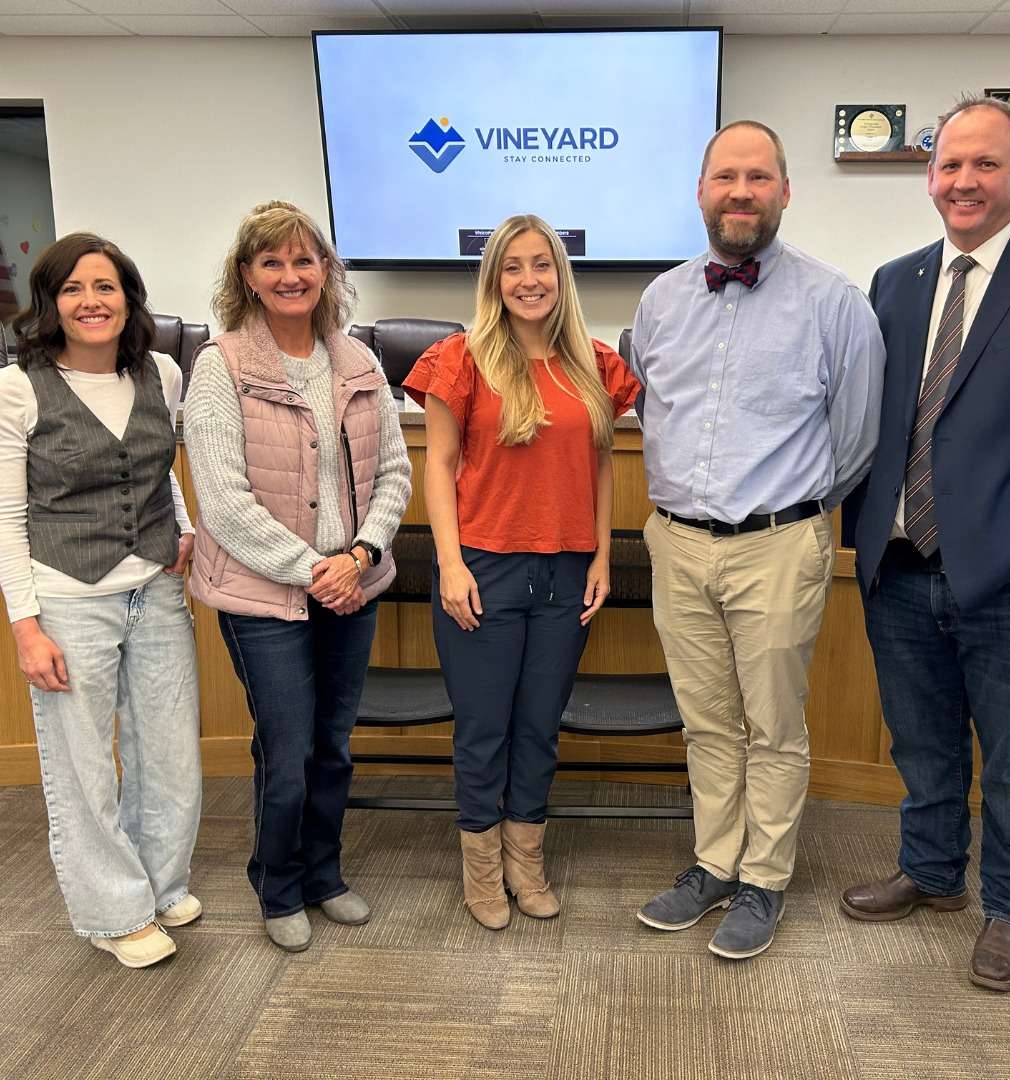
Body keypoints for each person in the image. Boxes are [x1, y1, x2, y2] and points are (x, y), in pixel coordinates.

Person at [840, 97, 1010, 993]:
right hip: (901, 565)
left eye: (985, 164)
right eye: (949, 165)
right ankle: (933, 873)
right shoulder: (894, 280)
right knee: (922, 742)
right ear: (928, 175)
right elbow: (877, 422)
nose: (964, 181)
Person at [631, 122, 886, 959]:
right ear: (701, 189)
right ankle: (713, 863)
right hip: (676, 542)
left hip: (778, 544)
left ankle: (764, 879)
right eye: (724, 176)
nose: (740, 192)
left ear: (784, 191)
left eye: (758, 177)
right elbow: (650, 416)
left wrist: (792, 519)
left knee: (772, 724)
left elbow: (854, 443)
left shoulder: (834, 303)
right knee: (707, 721)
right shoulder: (660, 300)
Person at [184, 201, 411, 952]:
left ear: (326, 272)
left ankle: (323, 874)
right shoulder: (221, 367)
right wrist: (318, 569)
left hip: (352, 587)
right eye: (272, 262)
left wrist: (363, 556)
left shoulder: (358, 361)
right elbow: (221, 500)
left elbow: (394, 475)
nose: (291, 275)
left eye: (304, 261)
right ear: (247, 275)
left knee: (334, 745)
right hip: (263, 596)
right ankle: (277, 885)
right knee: (286, 751)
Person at [403, 214, 639, 930]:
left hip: (566, 571)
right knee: (484, 730)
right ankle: (481, 871)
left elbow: (599, 463)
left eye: (542, 265)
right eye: (513, 267)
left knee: (539, 727)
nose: (529, 280)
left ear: (560, 277)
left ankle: (525, 863)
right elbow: (438, 465)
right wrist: (449, 564)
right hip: (483, 566)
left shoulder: (593, 363)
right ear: (493, 278)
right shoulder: (460, 358)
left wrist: (600, 554)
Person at [0, 233, 202, 968]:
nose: (92, 302)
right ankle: (114, 912)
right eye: (74, 289)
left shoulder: (165, 373)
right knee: (83, 763)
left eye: (106, 287)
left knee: (171, 752)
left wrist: (180, 527)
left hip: (151, 584)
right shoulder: (18, 387)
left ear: (129, 298)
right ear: (49, 303)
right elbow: (6, 516)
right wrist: (25, 626)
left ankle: (158, 882)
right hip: (67, 594)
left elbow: (159, 468)